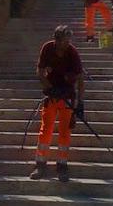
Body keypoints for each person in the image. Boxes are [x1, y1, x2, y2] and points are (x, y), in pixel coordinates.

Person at [30, 25, 84, 183]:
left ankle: (62, 165)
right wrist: (49, 87)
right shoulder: (47, 49)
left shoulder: (72, 53)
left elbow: (80, 79)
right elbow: (39, 71)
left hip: (67, 96)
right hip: (52, 96)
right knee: (45, 129)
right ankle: (40, 164)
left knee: (65, 131)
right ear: (56, 40)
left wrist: (81, 103)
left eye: (68, 41)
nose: (67, 44)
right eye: (64, 41)